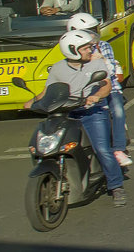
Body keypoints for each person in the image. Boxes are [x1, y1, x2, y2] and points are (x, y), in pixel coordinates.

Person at [24, 30, 126, 207]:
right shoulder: (58, 68)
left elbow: (106, 87)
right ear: (73, 50)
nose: (91, 50)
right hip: (67, 113)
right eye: (86, 48)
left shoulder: (96, 65)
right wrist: (32, 102)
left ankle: (116, 186)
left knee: (102, 149)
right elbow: (48, 91)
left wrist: (96, 96)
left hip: (92, 112)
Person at [67, 13, 132, 167]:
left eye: (94, 30)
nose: (94, 35)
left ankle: (118, 149)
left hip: (108, 88)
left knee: (117, 110)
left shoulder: (103, 46)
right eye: (89, 32)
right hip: (82, 92)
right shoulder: (69, 51)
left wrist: (101, 59)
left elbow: (110, 72)